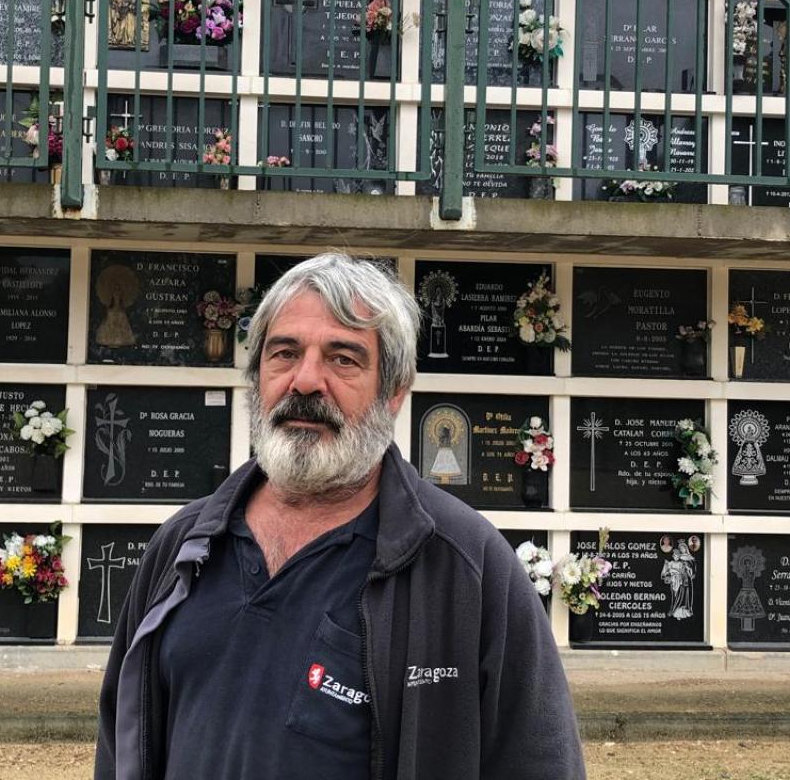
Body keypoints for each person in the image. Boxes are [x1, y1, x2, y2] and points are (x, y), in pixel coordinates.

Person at [95, 253, 582, 780]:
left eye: (343, 358)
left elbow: (540, 762)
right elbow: (120, 742)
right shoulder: (180, 547)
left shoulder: (467, 567)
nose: (305, 382)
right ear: (258, 377)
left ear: (394, 391)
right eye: (284, 353)